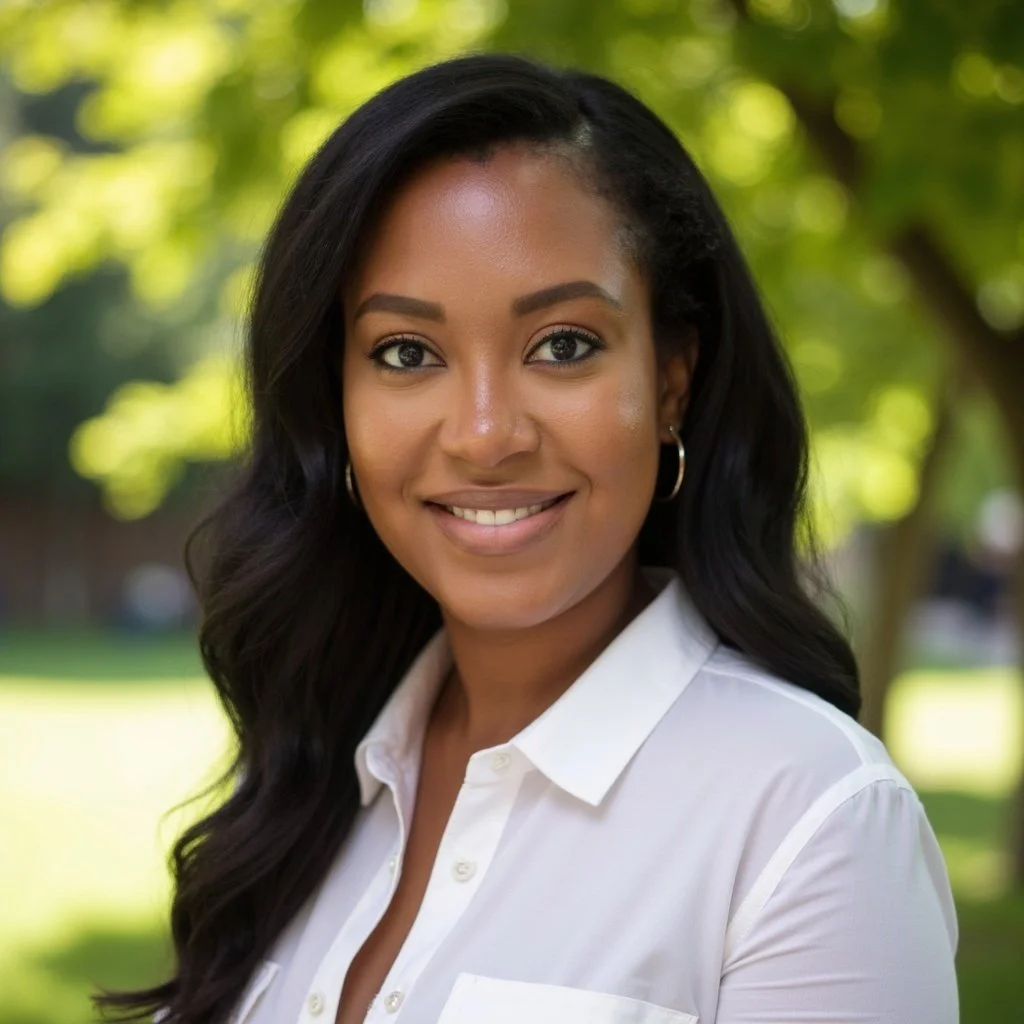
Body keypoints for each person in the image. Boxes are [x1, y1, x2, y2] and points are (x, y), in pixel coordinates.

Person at [103, 51, 958, 1024]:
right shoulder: (311, 783)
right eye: (406, 352)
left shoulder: (809, 818)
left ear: (671, 377)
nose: (483, 434)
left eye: (562, 345)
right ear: (334, 402)